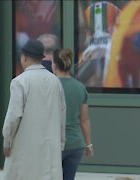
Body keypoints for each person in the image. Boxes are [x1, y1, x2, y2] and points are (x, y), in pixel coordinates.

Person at [2, 39, 66, 180]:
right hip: (50, 155)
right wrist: (60, 144)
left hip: (25, 153)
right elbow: (62, 116)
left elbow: (13, 117)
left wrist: (7, 142)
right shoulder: (55, 81)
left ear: (24, 57)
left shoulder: (20, 82)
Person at [52, 48, 94, 180]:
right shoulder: (80, 87)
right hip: (76, 144)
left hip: (55, 144)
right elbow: (84, 120)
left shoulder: (50, 86)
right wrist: (88, 144)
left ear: (55, 64)